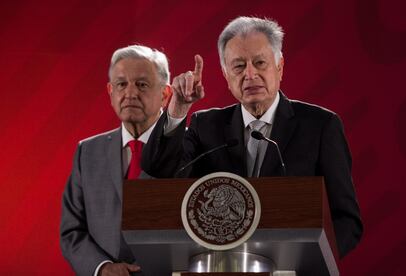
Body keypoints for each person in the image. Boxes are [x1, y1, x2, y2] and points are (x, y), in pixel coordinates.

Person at [142, 16, 363, 258]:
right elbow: (159, 169)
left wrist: (308, 262)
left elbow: (346, 222)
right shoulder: (206, 125)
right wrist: (177, 110)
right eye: (238, 66)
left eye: (260, 63)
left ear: (279, 67)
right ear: (226, 76)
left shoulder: (321, 126)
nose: (250, 74)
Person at [60, 45, 171, 276]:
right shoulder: (88, 152)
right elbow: (72, 230)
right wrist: (101, 268)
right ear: (110, 92)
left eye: (141, 84)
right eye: (121, 84)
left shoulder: (190, 146)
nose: (130, 93)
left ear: (165, 94)